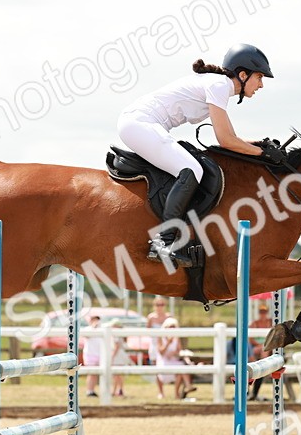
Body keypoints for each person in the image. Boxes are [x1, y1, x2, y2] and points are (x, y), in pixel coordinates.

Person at [117, 44, 281, 268]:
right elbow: (226, 141)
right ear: (243, 75)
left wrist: (261, 144)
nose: (261, 84)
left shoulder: (219, 87)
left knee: (191, 166)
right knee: (192, 169)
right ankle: (162, 242)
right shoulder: (219, 85)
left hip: (141, 124)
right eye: (259, 77)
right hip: (139, 124)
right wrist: (262, 153)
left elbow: (231, 137)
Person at [157, 317, 197, 400]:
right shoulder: (161, 337)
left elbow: (179, 351)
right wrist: (168, 343)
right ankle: (186, 386)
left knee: (181, 369)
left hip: (173, 360)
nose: (172, 328)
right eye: (170, 326)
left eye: (174, 326)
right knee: (179, 368)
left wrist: (174, 353)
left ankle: (179, 392)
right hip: (163, 361)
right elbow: (161, 352)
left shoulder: (176, 338)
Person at [146, 298, 171, 399]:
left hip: (167, 345)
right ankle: (161, 392)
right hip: (155, 345)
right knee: (157, 368)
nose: (159, 307)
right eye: (157, 304)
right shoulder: (151, 317)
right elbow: (147, 331)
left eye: (161, 304)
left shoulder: (169, 317)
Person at [107, 318, 131, 398]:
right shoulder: (120, 334)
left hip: (117, 355)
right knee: (119, 374)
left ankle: (116, 391)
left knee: (116, 375)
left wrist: (112, 356)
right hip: (121, 354)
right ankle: (119, 390)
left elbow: (117, 346)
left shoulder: (116, 335)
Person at [81, 313, 103, 397]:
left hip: (100, 354)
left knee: (98, 374)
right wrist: (93, 327)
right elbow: (87, 335)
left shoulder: (101, 329)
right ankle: (89, 390)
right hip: (90, 354)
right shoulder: (87, 329)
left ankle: (94, 390)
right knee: (91, 373)